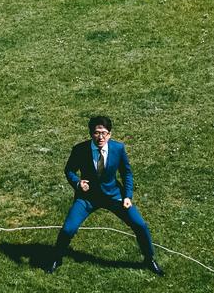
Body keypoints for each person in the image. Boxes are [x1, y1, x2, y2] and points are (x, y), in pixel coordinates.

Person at [49, 115, 163, 276]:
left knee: (140, 225)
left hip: (114, 196)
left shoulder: (118, 148)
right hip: (87, 198)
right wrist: (78, 183)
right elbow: (69, 170)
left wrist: (127, 196)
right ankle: (57, 258)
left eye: (104, 133)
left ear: (110, 134)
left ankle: (149, 259)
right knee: (68, 229)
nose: (100, 137)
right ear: (91, 133)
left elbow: (126, 173)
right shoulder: (80, 149)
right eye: (97, 133)